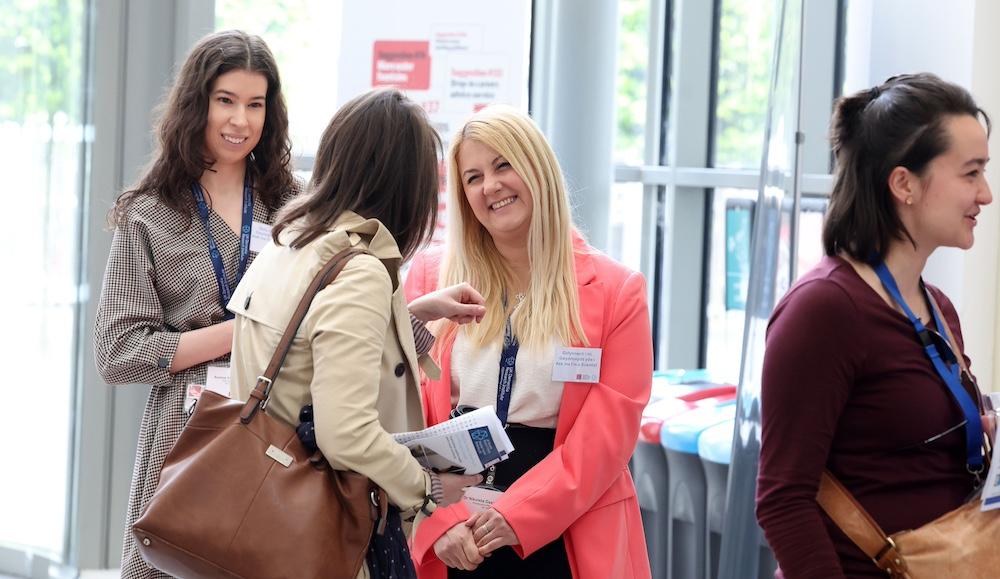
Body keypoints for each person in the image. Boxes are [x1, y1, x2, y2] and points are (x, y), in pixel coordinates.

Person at [226, 87, 485, 579]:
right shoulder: (360, 270)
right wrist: (426, 485)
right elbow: (344, 431)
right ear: (403, 185)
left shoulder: (290, 243)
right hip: (324, 532)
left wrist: (414, 312)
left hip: (264, 509)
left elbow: (304, 356)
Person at [756, 73, 994, 578]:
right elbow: (783, 501)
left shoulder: (938, 308)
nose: (986, 194)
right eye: (971, 173)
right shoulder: (823, 312)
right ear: (904, 183)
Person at [404, 105, 653, 578]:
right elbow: (405, 409)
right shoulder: (430, 277)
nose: (490, 186)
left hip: (566, 523)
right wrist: (440, 520)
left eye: (503, 165)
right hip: (451, 523)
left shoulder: (617, 291)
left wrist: (516, 515)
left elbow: (606, 438)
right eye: (473, 177)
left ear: (537, 169)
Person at [94, 30, 299, 579]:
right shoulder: (149, 212)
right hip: (181, 437)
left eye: (255, 105)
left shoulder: (294, 207)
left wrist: (418, 317)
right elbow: (118, 354)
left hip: (277, 435)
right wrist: (241, 333)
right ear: (197, 104)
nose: (240, 121)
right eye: (226, 101)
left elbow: (338, 307)